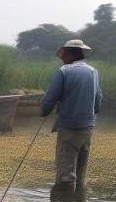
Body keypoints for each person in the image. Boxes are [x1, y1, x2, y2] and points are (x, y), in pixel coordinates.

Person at [40, 39, 102, 188]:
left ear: (69, 54)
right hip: (87, 128)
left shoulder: (64, 71)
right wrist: (91, 115)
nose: (62, 58)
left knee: (66, 176)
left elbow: (50, 98)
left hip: (69, 128)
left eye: (64, 55)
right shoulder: (93, 72)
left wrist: (43, 111)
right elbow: (98, 98)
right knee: (80, 175)